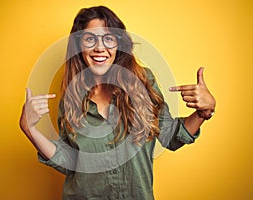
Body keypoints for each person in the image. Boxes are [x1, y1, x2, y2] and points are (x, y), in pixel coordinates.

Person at [19, 6, 216, 200]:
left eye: (108, 38)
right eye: (90, 39)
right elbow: (70, 161)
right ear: (79, 46)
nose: (99, 47)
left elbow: (171, 137)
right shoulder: (71, 97)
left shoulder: (143, 84)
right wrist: (30, 129)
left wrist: (203, 112)